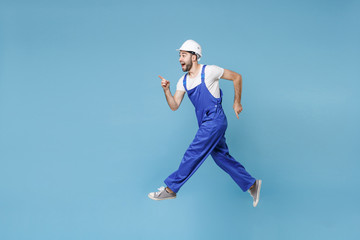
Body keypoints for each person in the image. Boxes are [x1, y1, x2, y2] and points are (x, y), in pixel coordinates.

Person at [148, 40, 262, 207]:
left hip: (215, 119)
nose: (180, 58)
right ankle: (251, 184)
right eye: (179, 55)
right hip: (205, 123)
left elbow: (237, 77)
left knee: (193, 153)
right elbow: (174, 106)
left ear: (194, 57)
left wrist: (237, 102)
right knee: (221, 157)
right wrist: (166, 90)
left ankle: (171, 189)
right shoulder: (183, 81)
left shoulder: (210, 71)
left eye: (183, 55)